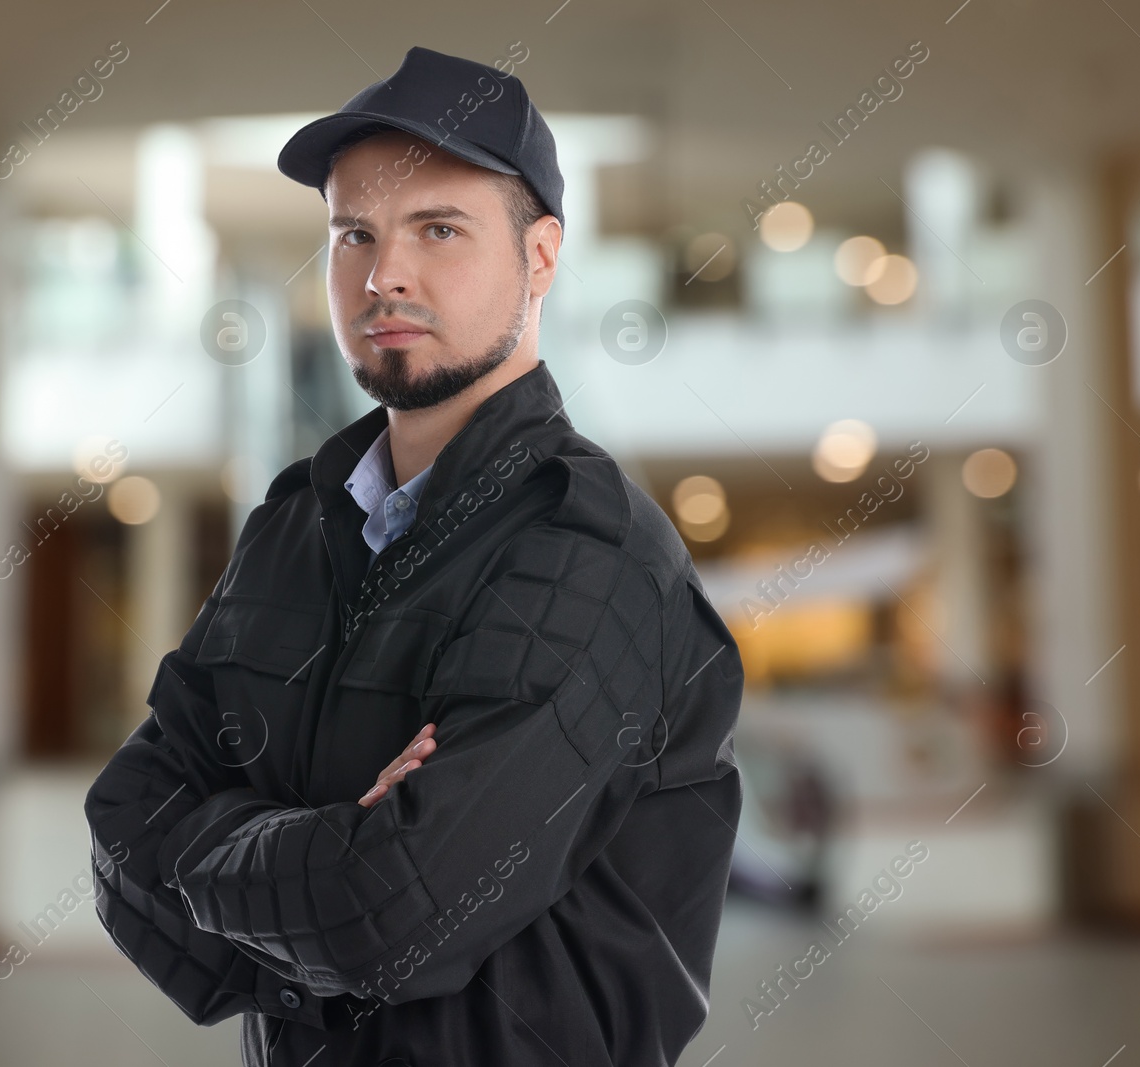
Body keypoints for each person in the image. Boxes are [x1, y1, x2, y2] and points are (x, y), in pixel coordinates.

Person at [85, 44, 744, 1067]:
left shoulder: (591, 552)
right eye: (355, 232)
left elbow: (394, 911)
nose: (383, 272)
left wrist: (234, 852)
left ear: (540, 256)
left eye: (439, 228)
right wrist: (327, 855)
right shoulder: (293, 526)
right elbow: (121, 828)